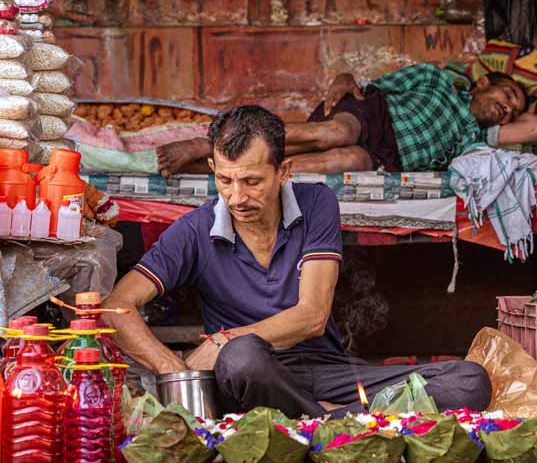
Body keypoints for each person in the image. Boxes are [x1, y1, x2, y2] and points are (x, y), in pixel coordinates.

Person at [104, 105, 491, 418]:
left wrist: (222, 340)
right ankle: (341, 420)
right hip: (249, 380)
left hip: (326, 371)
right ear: (214, 171)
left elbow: (311, 317)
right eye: (225, 180)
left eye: (252, 181)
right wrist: (175, 370)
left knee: (469, 381)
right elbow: (115, 308)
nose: (236, 197)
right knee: (242, 358)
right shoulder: (194, 229)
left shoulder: (316, 204)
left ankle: (316, 418)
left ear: (283, 172)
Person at [156, 63, 537, 176]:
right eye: (507, 96)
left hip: (384, 157)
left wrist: (516, 113)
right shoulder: (435, 79)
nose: (509, 108)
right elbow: (366, 87)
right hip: (371, 116)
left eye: (514, 108)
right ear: (482, 82)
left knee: (339, 162)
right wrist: (345, 80)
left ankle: (216, 169)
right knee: (333, 133)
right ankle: (204, 145)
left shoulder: (473, 136)